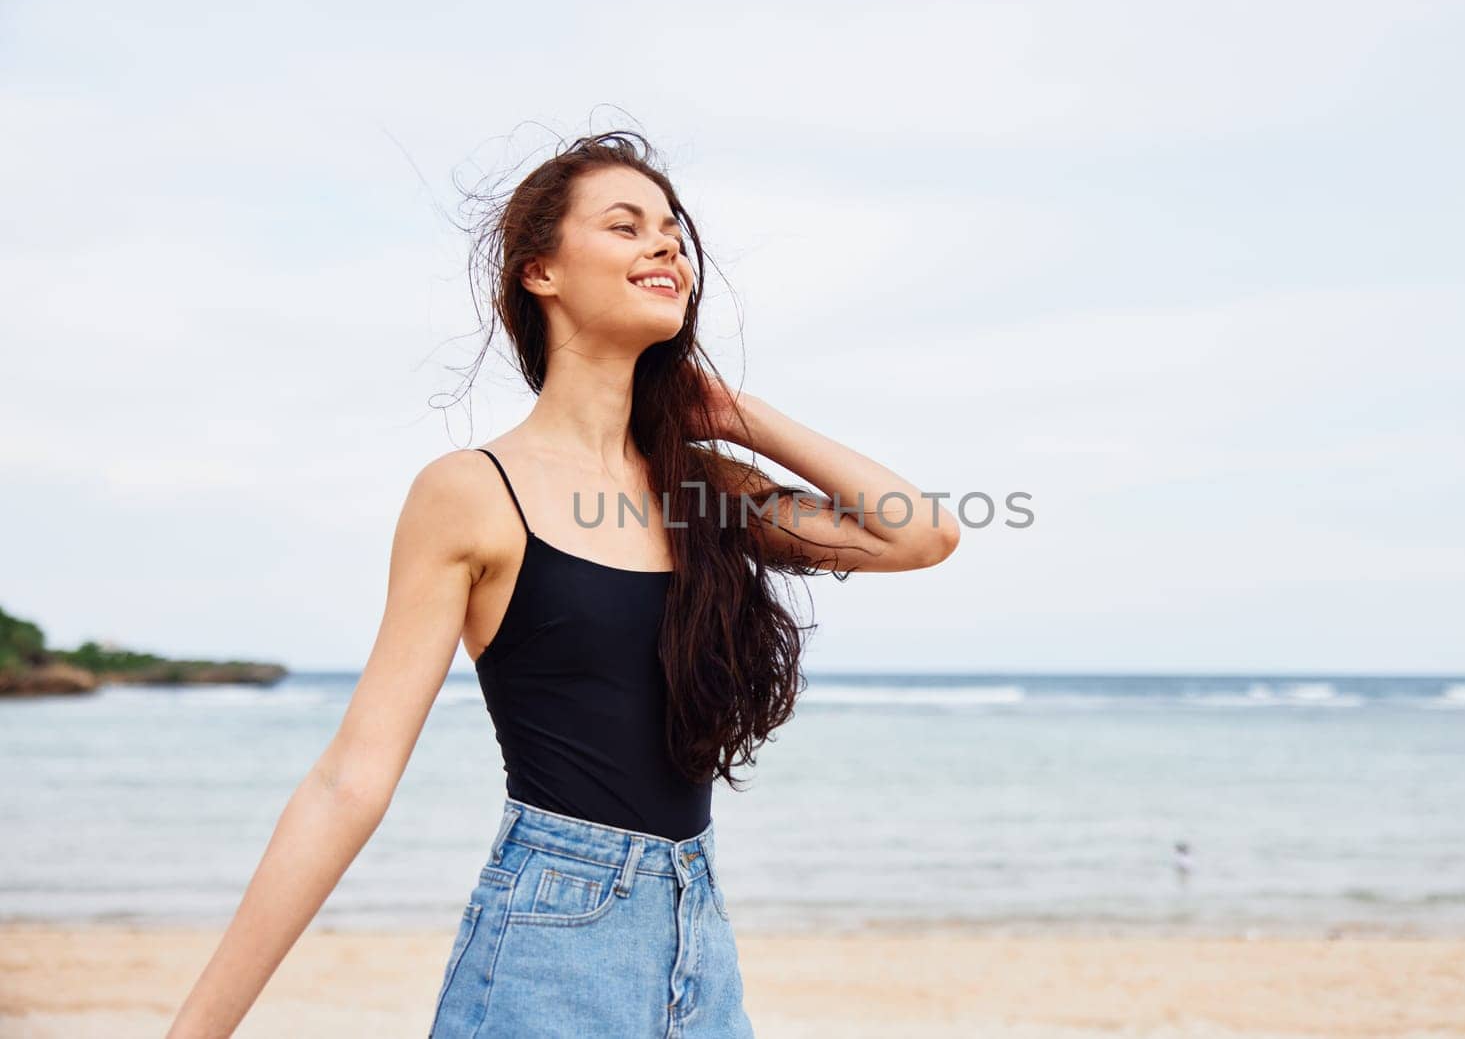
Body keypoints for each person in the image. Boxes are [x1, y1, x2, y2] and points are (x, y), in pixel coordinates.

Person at [165, 130, 961, 1038]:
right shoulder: (470, 492)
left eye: (672, 231)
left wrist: (738, 414)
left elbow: (919, 534)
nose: (665, 246)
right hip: (548, 942)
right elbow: (351, 778)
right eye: (625, 226)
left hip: (698, 939)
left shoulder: (699, 487)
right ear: (540, 270)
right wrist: (198, 1030)